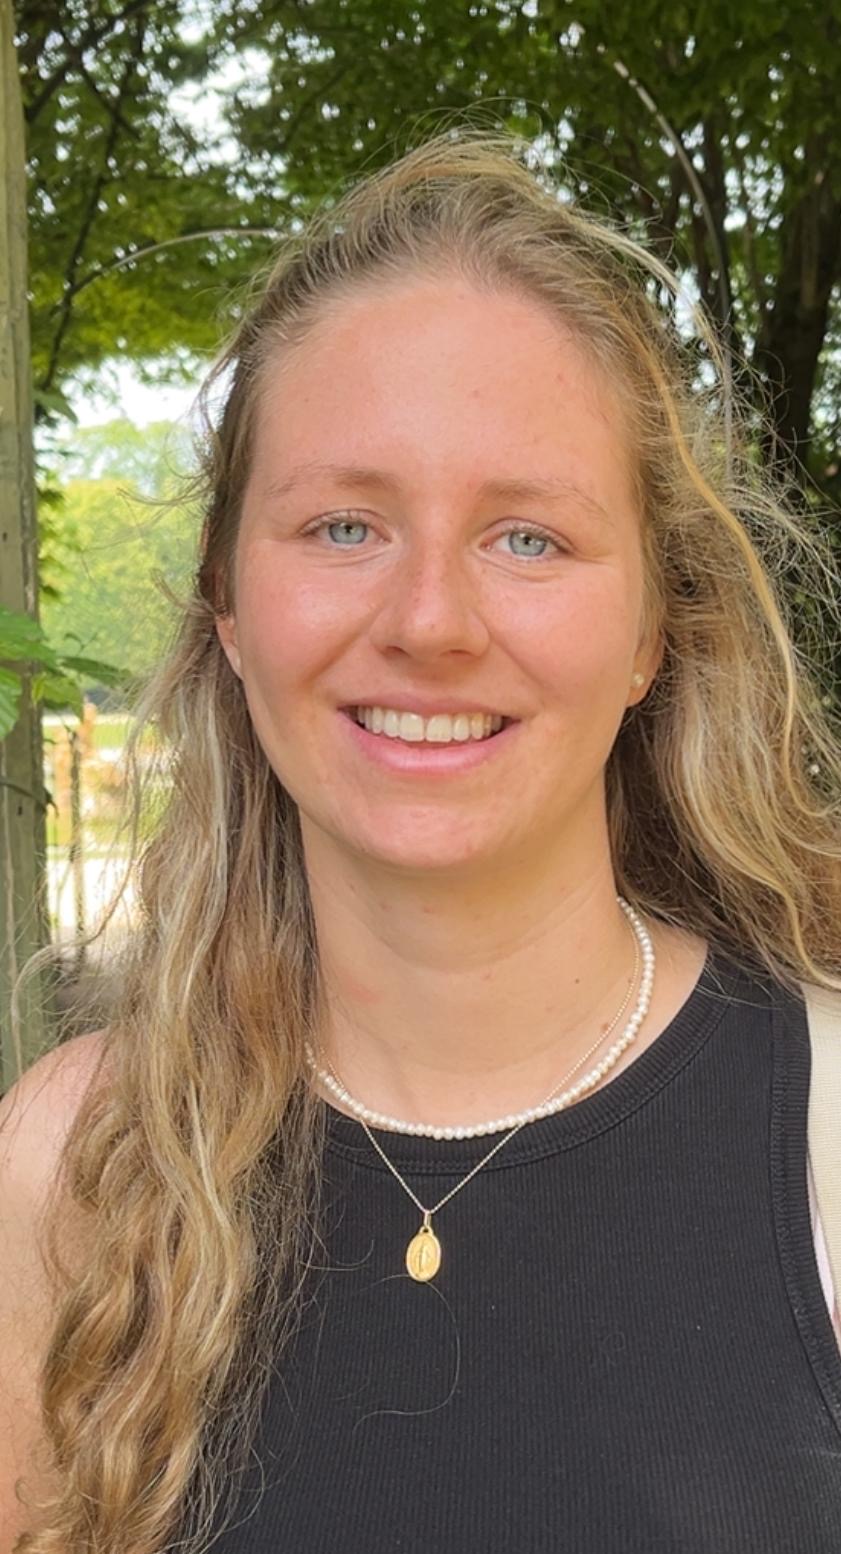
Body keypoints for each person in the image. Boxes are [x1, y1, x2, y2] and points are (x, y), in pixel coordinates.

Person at [2, 126, 841, 1554]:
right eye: (344, 526)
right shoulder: (71, 1171)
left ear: (652, 627)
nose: (431, 620)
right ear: (227, 606)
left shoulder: (823, 1137)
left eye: (528, 538)